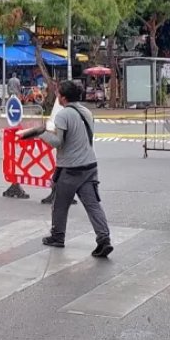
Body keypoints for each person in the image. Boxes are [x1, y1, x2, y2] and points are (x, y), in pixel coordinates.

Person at [17, 80, 114, 258]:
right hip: (90, 165)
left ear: (63, 97)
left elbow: (57, 142)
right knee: (93, 205)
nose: (56, 96)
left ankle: (57, 236)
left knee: (60, 204)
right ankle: (104, 239)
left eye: (58, 93)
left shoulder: (63, 115)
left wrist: (40, 133)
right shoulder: (86, 112)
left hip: (70, 168)